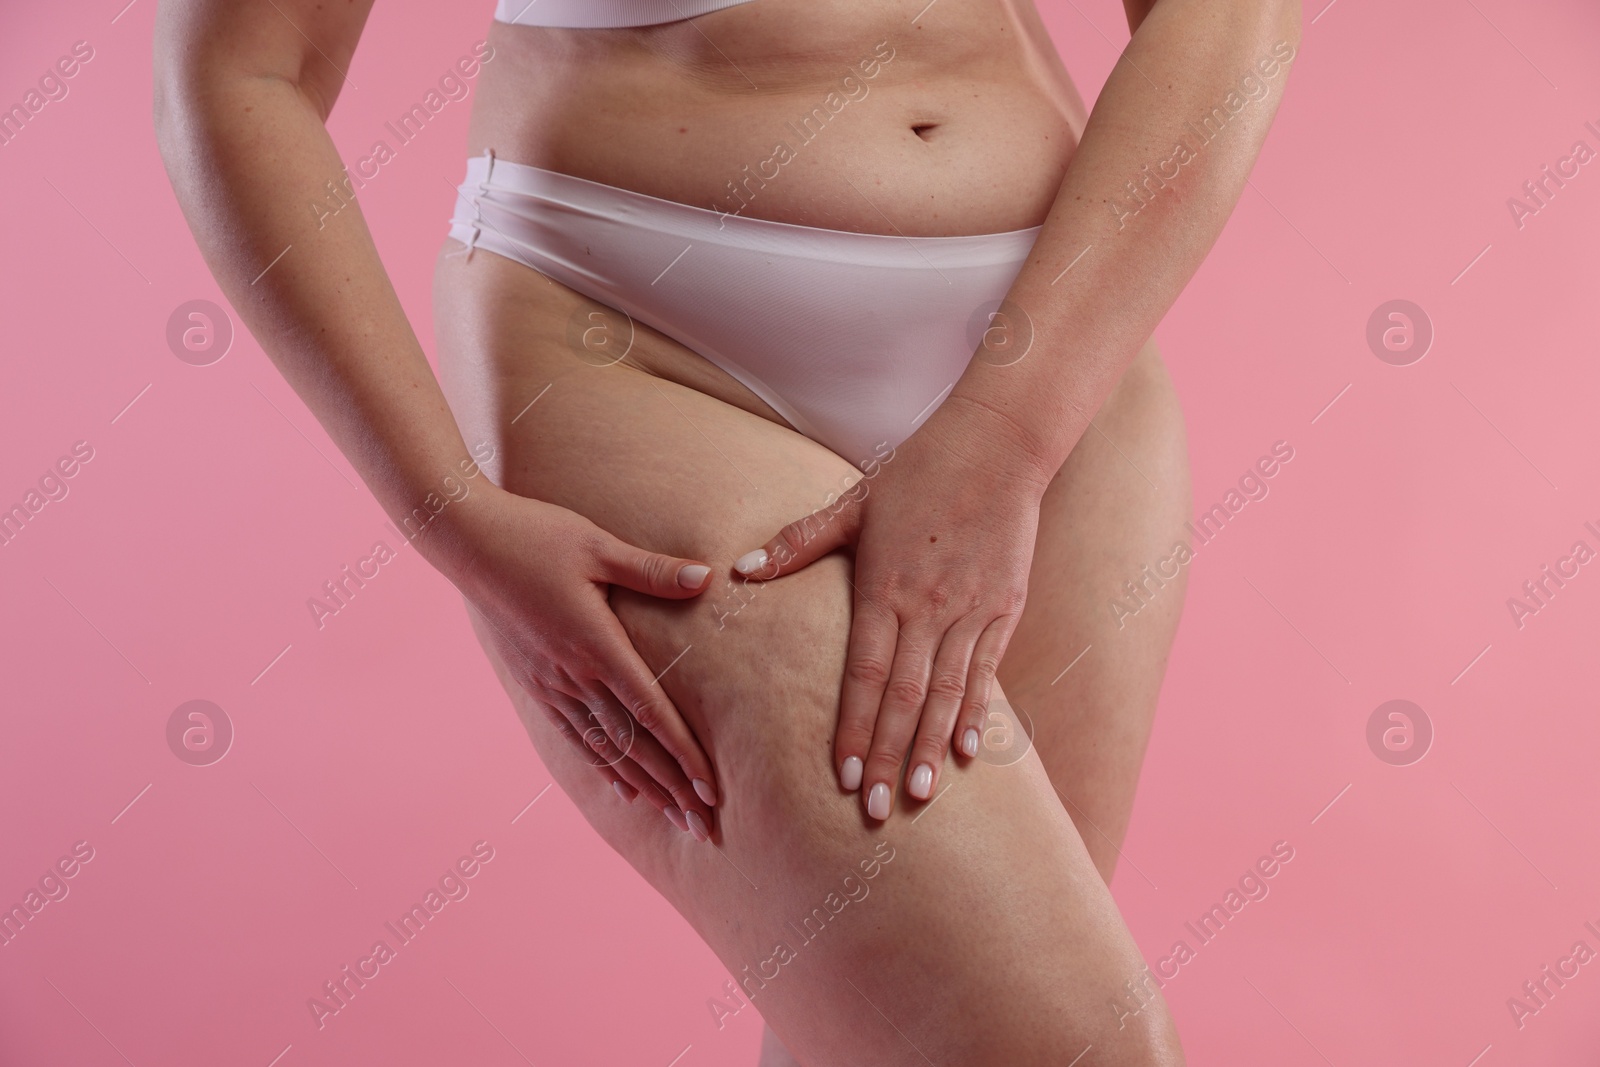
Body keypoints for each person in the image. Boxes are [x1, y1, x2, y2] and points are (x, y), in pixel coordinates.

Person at [154, 0, 1298, 1061]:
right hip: (645, 347)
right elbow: (242, 70)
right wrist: (443, 503)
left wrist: (1009, 433)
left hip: (1061, 358)